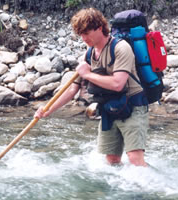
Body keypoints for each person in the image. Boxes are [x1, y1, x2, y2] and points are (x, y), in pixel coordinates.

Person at [34, 8, 149, 167]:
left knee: (135, 159)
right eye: (80, 34)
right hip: (108, 109)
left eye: (86, 33)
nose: (83, 38)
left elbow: (118, 83)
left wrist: (87, 74)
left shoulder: (121, 48)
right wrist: (48, 110)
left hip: (133, 106)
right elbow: (71, 89)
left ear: (100, 28)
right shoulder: (87, 56)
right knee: (111, 161)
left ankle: (152, 187)